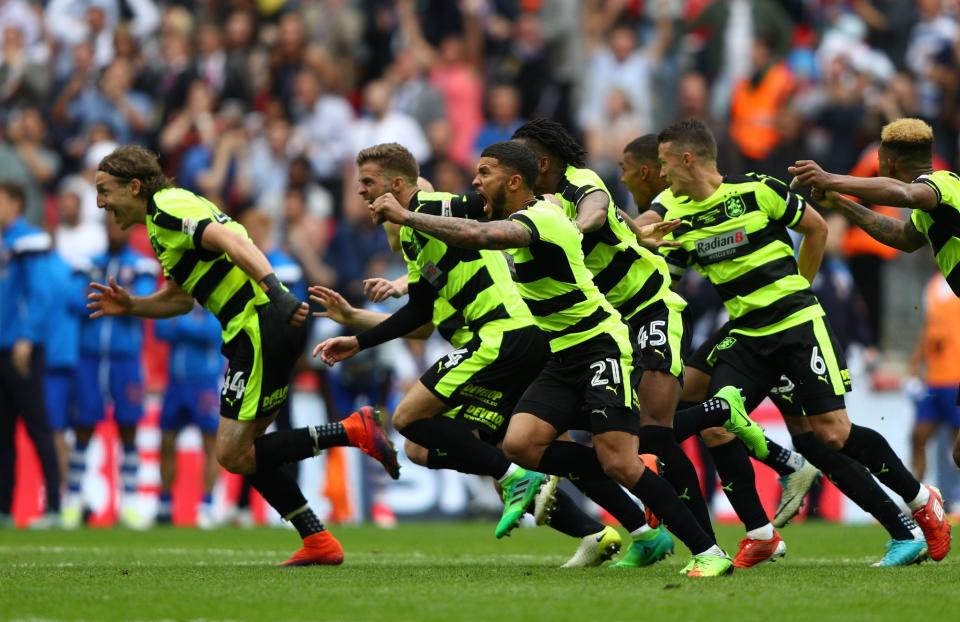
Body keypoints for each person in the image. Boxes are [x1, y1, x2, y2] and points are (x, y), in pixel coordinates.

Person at [367, 140, 734, 577]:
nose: (475, 181)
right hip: (562, 355)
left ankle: (709, 550)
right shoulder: (516, 215)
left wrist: (407, 214)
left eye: (485, 173)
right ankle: (621, 482)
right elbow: (463, 238)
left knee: (619, 460)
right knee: (521, 444)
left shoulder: (540, 218)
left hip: (599, 345)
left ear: (515, 180)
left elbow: (477, 236)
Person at [654, 119, 949, 566]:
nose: (659, 174)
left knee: (829, 435)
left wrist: (798, 289)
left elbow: (821, 228)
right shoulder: (671, 216)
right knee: (711, 419)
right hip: (747, 335)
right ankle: (760, 527)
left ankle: (918, 500)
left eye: (662, 163)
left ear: (686, 159)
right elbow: (665, 287)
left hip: (796, 326)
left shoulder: (758, 190)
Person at [87, 145, 398, 566]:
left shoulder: (165, 208)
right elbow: (180, 300)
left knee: (233, 454)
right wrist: (132, 306)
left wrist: (276, 292)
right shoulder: (166, 222)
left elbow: (230, 240)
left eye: (105, 191)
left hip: (259, 324)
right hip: (258, 327)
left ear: (134, 186)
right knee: (249, 453)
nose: (101, 202)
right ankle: (318, 539)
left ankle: (352, 431)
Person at [511, 119, 743, 567]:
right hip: (606, 326)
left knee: (654, 432)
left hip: (651, 307)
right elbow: (616, 221)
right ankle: (658, 527)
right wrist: (636, 231)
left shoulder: (580, 183)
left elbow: (597, 209)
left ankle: (707, 542)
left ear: (539, 161)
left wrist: (574, 229)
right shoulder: (534, 204)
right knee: (620, 446)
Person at [790, 117, 960, 479]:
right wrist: (839, 201)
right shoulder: (934, 205)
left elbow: (903, 194)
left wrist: (830, 178)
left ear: (889, 162)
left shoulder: (937, 185)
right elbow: (902, 236)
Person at [68, 216, 157, 528]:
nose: (111, 231)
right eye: (106, 226)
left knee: (128, 426)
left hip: (124, 358)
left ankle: (130, 501)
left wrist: (120, 299)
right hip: (90, 358)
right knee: (82, 425)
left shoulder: (143, 265)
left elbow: (141, 301)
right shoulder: (88, 264)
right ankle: (74, 497)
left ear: (128, 229)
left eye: (117, 226)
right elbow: (74, 300)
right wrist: (114, 298)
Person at [0, 181, 60, 528]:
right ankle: (5, 509)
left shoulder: (28, 240)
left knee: (38, 427)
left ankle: (53, 505)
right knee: (2, 434)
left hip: (21, 349)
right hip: (2, 347)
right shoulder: (7, 242)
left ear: (16, 203)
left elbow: (41, 293)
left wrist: (27, 335)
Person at [154, 303, 224, 529]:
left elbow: (211, 333)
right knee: (166, 441)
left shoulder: (214, 303)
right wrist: (185, 325)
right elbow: (160, 330)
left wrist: (179, 324)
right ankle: (164, 505)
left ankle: (207, 505)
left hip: (204, 385)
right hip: (175, 384)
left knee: (210, 444)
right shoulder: (180, 301)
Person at [907, 274, 960, 495]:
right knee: (917, 436)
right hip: (934, 380)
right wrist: (914, 365)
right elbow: (928, 328)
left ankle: (956, 496)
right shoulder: (932, 285)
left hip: (956, 378)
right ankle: (915, 496)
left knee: (957, 446)